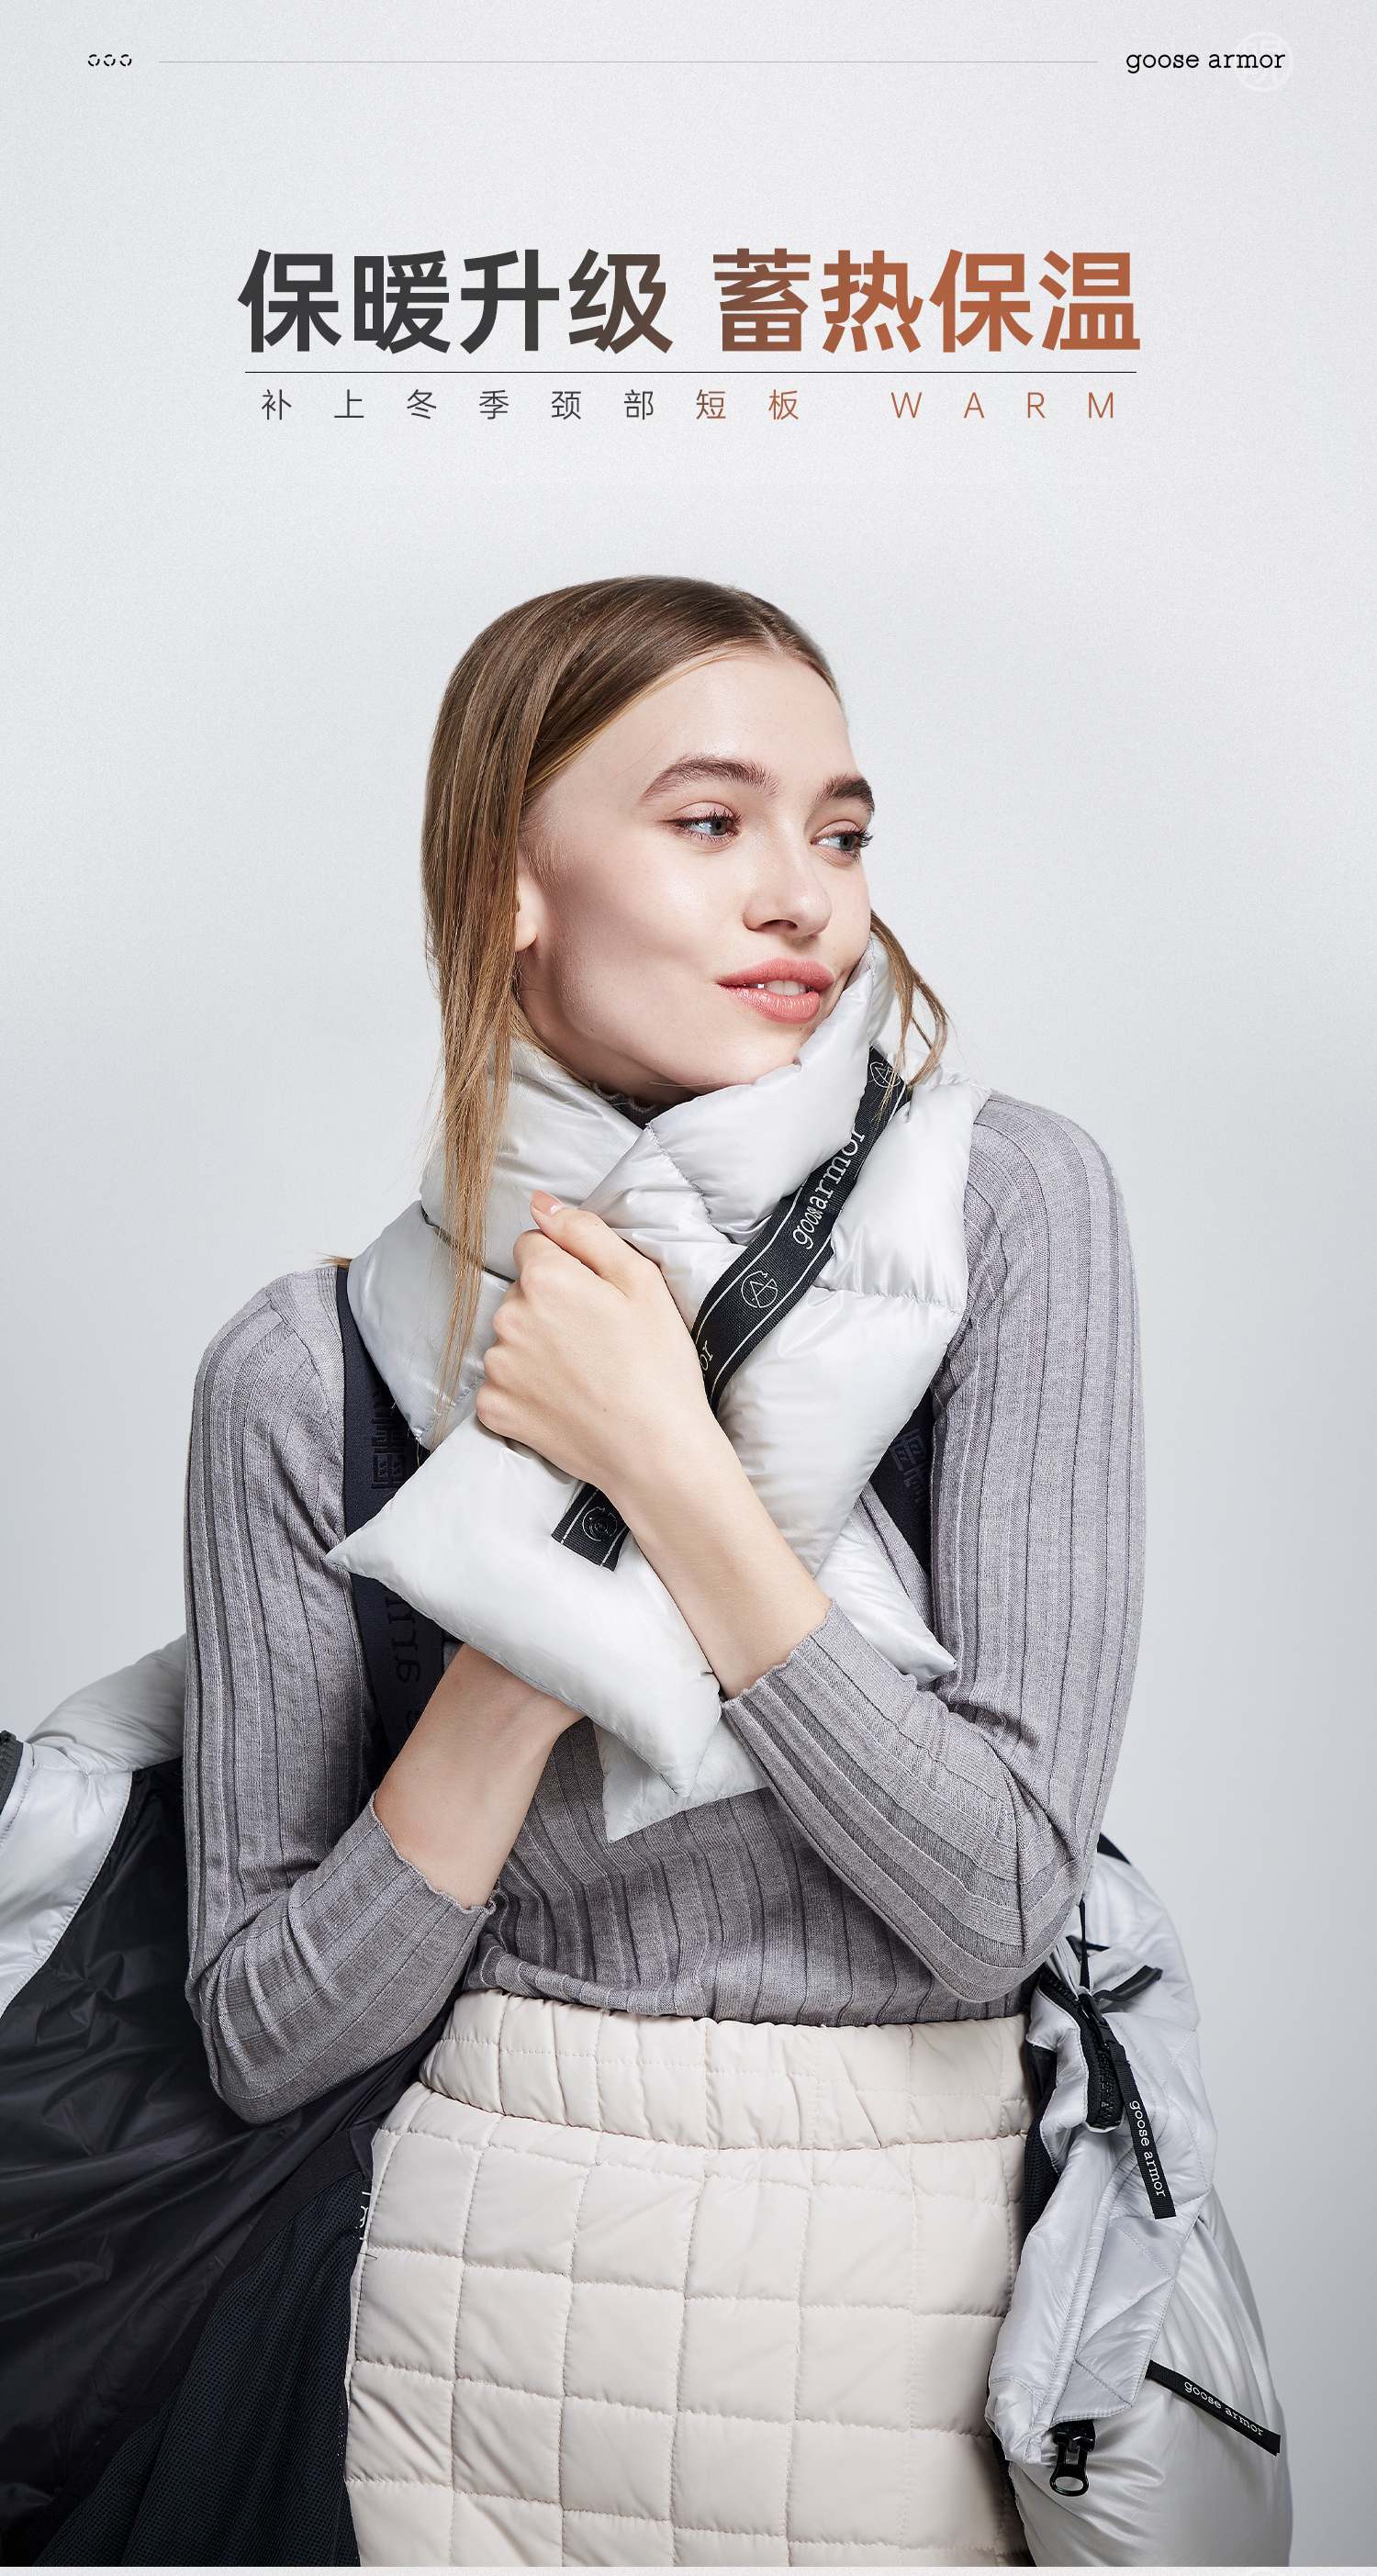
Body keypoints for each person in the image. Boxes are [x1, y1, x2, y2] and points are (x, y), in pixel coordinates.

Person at [183, 577, 1141, 2566]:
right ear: (511, 884)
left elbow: (997, 1900)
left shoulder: (1006, 1212)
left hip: (904, 2328)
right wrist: (515, 1639)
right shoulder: (307, 1367)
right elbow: (264, 2036)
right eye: (712, 821)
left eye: (841, 831)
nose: (803, 895)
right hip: (462, 2347)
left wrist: (665, 1465)